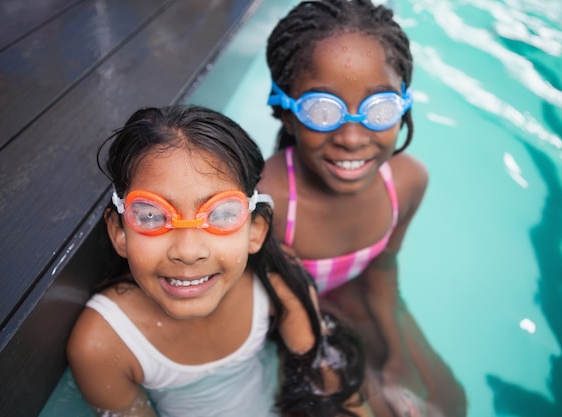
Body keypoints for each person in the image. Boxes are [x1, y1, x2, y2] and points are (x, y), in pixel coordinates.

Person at [66, 105, 369, 417]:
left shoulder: (276, 280)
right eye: (151, 216)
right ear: (119, 232)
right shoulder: (104, 345)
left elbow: (331, 388)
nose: (188, 251)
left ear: (256, 230)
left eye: (221, 214)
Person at [258, 1, 467, 416]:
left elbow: (383, 270)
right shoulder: (267, 200)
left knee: (444, 403)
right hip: (288, 318)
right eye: (322, 110)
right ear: (285, 110)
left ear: (404, 104)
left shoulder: (406, 183)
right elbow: (261, 313)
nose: (352, 138)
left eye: (380, 109)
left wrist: (397, 354)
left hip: (355, 292)